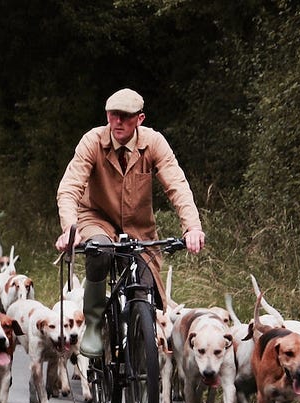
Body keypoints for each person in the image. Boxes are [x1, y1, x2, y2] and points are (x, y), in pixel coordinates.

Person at [54, 88, 206, 358]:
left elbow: (177, 185)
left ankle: (140, 345)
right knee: (100, 250)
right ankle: (94, 323)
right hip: (95, 217)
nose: (118, 122)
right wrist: (70, 229)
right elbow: (70, 188)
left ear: (140, 118)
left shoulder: (153, 143)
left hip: (139, 227)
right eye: (113, 115)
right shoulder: (92, 141)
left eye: (125, 116)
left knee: (144, 289)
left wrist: (192, 227)